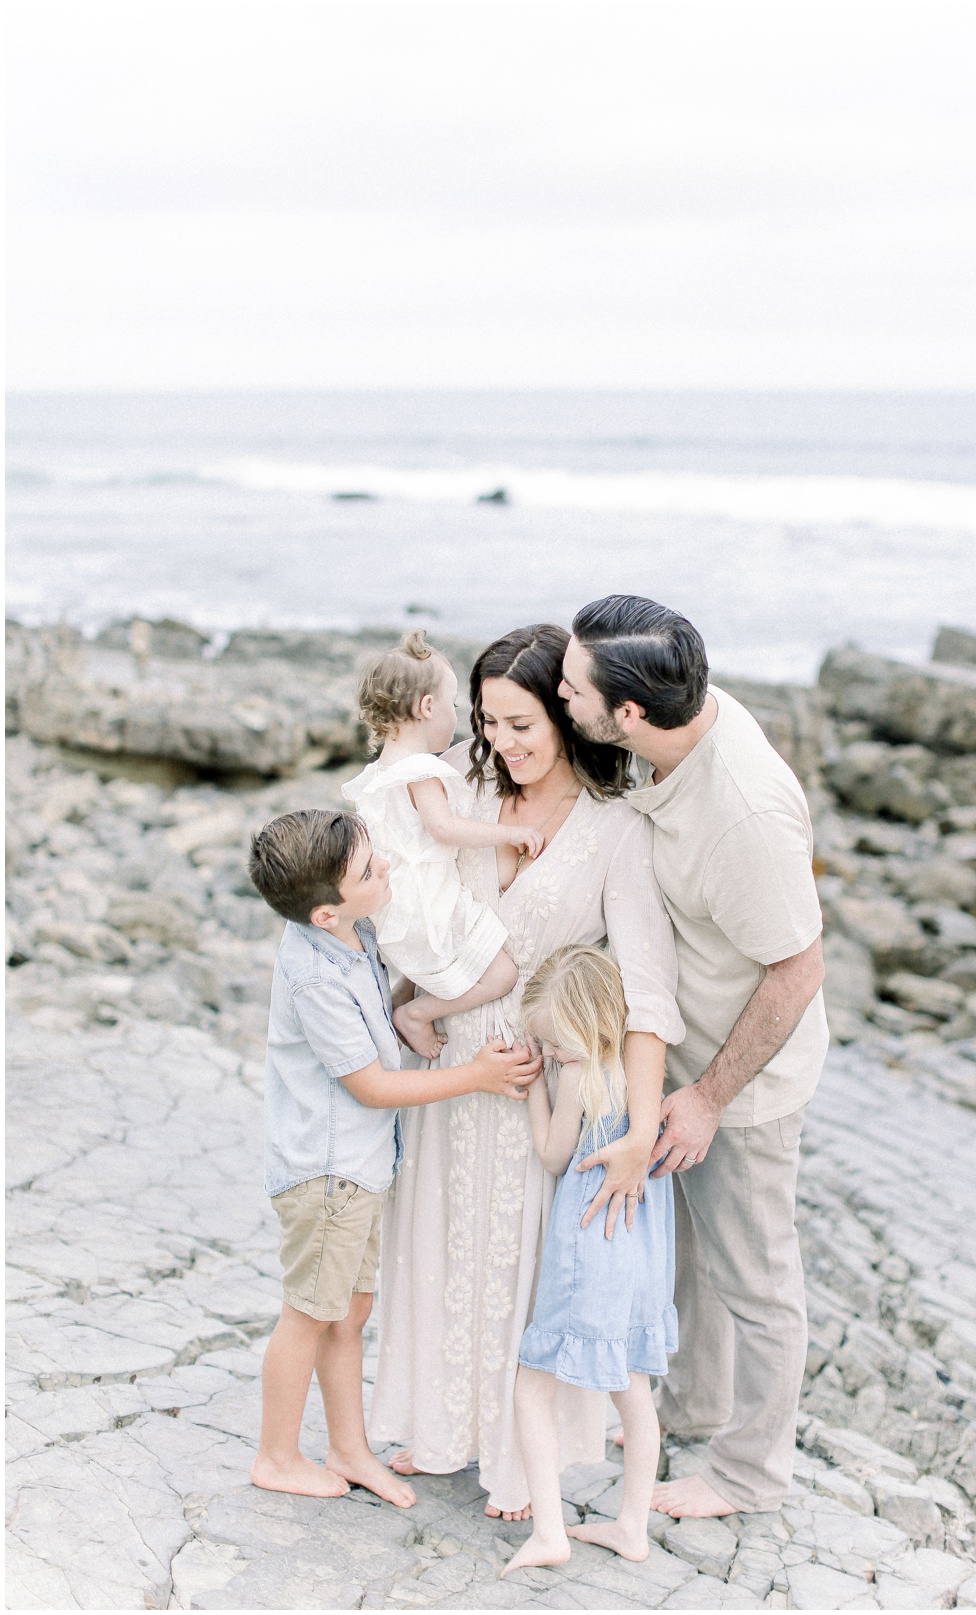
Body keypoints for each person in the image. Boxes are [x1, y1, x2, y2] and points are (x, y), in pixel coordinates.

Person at [368, 623, 685, 1520]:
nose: (500, 744)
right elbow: (415, 913)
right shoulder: (455, 792)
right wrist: (403, 1002)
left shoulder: (616, 831)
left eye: (519, 724)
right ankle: (440, 1425)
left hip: (547, 1072)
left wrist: (634, 1125)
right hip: (449, 1060)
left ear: (566, 714)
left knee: (521, 1258)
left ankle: (520, 1457)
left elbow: (648, 993)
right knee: (434, 1234)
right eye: (486, 722)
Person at [559, 595, 828, 1521]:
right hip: (686, 1053)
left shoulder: (742, 812)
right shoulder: (669, 725)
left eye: (570, 688)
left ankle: (751, 1476)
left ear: (630, 714)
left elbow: (798, 969)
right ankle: (693, 1413)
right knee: (696, 1265)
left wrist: (710, 1096)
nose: (561, 694)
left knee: (756, 1279)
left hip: (743, 1077)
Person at [245, 808, 541, 1505]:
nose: (389, 871)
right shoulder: (316, 976)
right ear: (324, 911)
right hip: (327, 1174)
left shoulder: (351, 935)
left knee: (349, 1311)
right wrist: (479, 1075)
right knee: (309, 1313)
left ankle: (348, 1449)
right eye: (369, 873)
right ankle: (275, 1454)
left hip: (359, 1167)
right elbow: (373, 1086)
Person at [503, 945, 676, 1576]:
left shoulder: (582, 1077)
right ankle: (633, 1524)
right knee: (632, 1387)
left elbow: (553, 1154)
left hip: (591, 1249)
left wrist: (531, 1088)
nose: (549, 1054)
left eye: (554, 1043)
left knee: (532, 1383)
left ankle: (549, 1531)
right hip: (644, 1257)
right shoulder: (645, 1076)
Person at [343, 630, 543, 1060]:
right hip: (426, 904)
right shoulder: (420, 769)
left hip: (397, 905)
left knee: (443, 965)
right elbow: (445, 829)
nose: (459, 720)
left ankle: (400, 1001)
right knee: (502, 974)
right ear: (427, 707)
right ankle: (416, 1015)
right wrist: (509, 834)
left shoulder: (382, 770)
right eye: (453, 706)